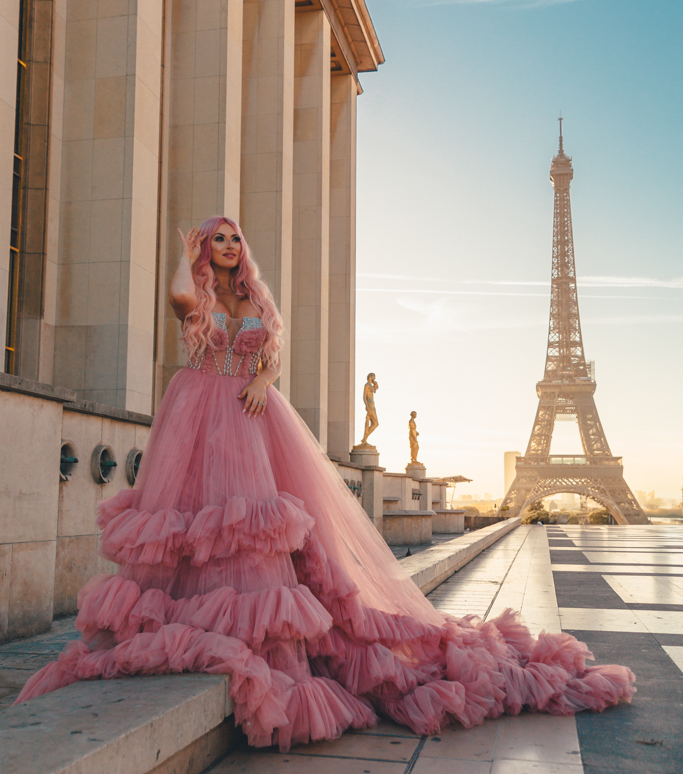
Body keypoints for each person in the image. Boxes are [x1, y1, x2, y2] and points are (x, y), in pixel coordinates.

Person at [16, 217, 635, 749]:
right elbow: (179, 299)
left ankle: (259, 629)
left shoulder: (256, 302)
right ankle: (201, 619)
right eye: (219, 239)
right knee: (194, 525)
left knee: (250, 527)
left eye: (236, 238)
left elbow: (273, 355)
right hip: (196, 415)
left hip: (251, 415)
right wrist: (187, 254)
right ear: (207, 248)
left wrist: (263, 381)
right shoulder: (198, 297)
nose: (231, 245)